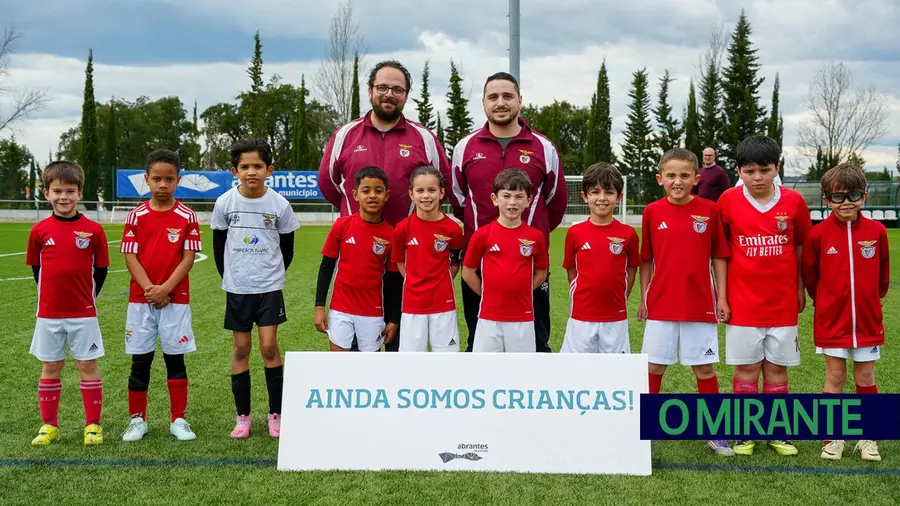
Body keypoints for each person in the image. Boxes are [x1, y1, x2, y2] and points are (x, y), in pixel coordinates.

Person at [318, 60, 451, 352]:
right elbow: (329, 183)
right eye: (382, 87)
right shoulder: (346, 135)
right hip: (357, 256)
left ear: (405, 95)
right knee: (351, 352)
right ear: (370, 91)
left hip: (408, 258)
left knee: (398, 343)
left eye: (397, 89)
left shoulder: (424, 138)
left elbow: (445, 184)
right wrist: (357, 219)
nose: (389, 94)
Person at [451, 72, 567, 353]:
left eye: (507, 96)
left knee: (535, 344)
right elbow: (458, 200)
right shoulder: (465, 147)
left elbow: (555, 202)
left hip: (527, 264)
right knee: (479, 342)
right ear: (483, 103)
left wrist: (526, 238)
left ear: (520, 101)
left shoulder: (543, 147)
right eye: (493, 97)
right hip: (479, 265)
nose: (500, 103)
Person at [716, 135, 811, 457]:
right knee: (745, 371)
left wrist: (799, 288)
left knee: (777, 370)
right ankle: (745, 433)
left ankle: (777, 432)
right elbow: (721, 254)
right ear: (738, 170)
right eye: (750, 171)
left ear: (777, 168)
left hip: (782, 303)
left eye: (764, 170)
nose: (757, 177)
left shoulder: (794, 202)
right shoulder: (727, 201)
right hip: (742, 303)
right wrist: (723, 298)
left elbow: (800, 248)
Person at [638, 148, 733, 457]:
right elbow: (646, 260)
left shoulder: (709, 210)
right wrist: (643, 298)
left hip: (699, 305)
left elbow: (719, 256)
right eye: (671, 176)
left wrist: (721, 296)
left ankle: (715, 432)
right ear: (660, 179)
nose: (677, 182)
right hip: (661, 305)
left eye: (683, 176)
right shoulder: (652, 211)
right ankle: (647, 428)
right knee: (653, 366)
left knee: (704, 368)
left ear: (696, 178)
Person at [211, 138, 299, 440]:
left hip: (269, 288)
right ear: (234, 170)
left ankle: (276, 415)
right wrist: (234, 276)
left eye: (257, 166)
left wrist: (270, 275)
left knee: (269, 347)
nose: (251, 172)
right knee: (241, 349)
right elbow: (219, 246)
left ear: (269, 169)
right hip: (238, 289)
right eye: (244, 166)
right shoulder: (225, 203)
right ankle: (243, 417)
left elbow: (287, 250)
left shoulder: (279, 205)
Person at [801, 162, 889, 462]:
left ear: (864, 196)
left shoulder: (877, 231)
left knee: (866, 377)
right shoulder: (818, 235)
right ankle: (832, 438)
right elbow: (811, 277)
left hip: (866, 322)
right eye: (838, 197)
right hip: (832, 321)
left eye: (853, 195)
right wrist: (826, 300)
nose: (846, 202)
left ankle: (868, 437)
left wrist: (868, 301)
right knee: (834, 378)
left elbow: (882, 279)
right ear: (826, 199)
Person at [119, 149, 201, 442]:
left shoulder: (187, 216)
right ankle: (137, 419)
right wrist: (151, 290)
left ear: (178, 180)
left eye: (169, 179)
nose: (163, 184)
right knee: (140, 361)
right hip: (141, 302)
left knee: (175, 360)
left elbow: (188, 258)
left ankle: (178, 419)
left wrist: (166, 289)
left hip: (175, 301)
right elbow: (130, 258)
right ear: (147, 180)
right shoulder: (136, 215)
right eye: (157, 179)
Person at [27, 161, 109, 446]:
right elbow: (37, 270)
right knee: (51, 367)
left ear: (80, 192)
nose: (64, 197)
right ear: (47, 194)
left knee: (87, 366)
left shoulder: (93, 230)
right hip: (48, 314)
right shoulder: (39, 231)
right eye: (57, 191)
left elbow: (101, 270)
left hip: (83, 314)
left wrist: (88, 298)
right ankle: (49, 426)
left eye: (70, 191)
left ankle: (93, 426)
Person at [461, 169, 548, 353]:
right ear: (495, 198)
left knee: (520, 375)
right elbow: (467, 272)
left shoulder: (536, 237)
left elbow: (541, 273)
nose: (512, 202)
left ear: (528, 201)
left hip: (522, 319)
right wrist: (487, 292)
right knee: (486, 374)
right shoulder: (482, 235)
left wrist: (521, 290)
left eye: (519, 197)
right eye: (506, 196)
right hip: (488, 318)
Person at [314, 166, 401, 351]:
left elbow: (394, 282)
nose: (372, 195)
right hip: (340, 308)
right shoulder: (342, 225)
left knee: (369, 372)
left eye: (378, 191)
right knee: (339, 367)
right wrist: (319, 307)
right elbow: (326, 267)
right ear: (355, 195)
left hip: (373, 312)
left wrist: (393, 319)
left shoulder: (392, 234)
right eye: (366, 190)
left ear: (386, 195)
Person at [560, 162, 639, 354]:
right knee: (577, 370)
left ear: (619, 197)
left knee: (615, 370)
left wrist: (621, 296)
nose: (602, 198)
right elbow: (572, 270)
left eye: (609, 192)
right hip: (581, 315)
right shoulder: (574, 233)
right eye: (595, 192)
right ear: (585, 196)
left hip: (616, 316)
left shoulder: (628, 234)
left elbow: (632, 269)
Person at [391, 166, 463, 352]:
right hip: (413, 304)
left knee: (447, 359)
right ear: (411, 194)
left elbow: (455, 263)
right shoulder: (402, 229)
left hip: (443, 302)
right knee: (411, 362)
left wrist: (440, 281)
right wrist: (414, 280)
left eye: (432, 190)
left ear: (441, 192)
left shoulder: (453, 229)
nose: (426, 196)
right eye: (420, 190)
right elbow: (400, 262)